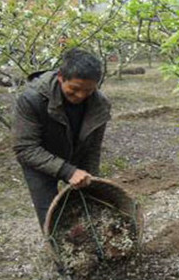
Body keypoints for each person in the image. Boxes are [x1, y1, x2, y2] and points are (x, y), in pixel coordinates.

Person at [13, 48, 111, 229]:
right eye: (74, 90)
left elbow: (92, 148)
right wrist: (67, 171)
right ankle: (59, 252)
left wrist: (91, 182)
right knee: (51, 217)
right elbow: (25, 148)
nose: (81, 96)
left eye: (88, 90)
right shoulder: (32, 98)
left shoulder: (100, 104)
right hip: (39, 159)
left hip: (75, 153)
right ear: (60, 77)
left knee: (89, 206)